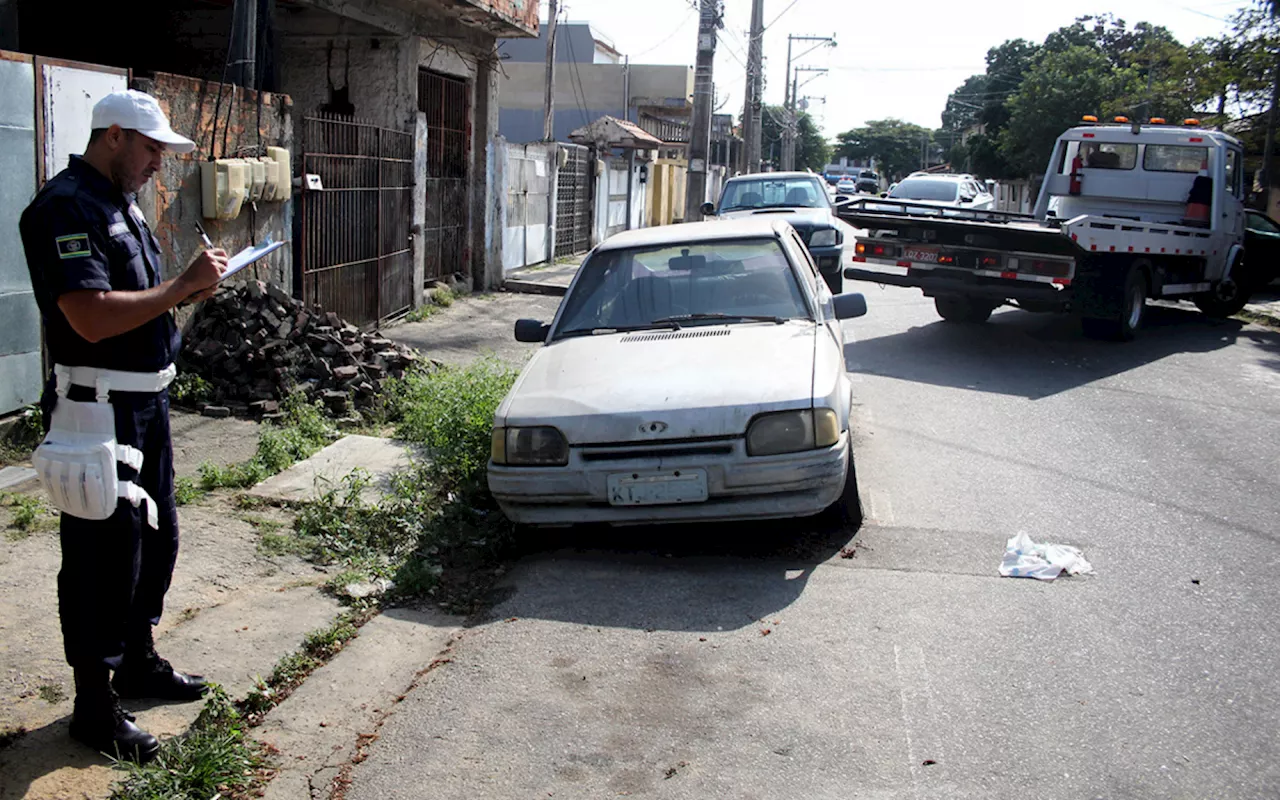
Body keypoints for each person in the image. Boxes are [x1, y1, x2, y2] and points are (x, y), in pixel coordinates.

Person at [19, 90, 229, 763]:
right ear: (113, 136)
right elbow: (89, 316)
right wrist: (177, 289)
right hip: (96, 410)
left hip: (145, 404)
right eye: (149, 150)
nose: (156, 165)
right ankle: (93, 705)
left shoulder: (120, 204)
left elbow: (136, 307)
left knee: (155, 538)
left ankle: (137, 660)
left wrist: (189, 289)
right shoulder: (64, 208)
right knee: (100, 559)